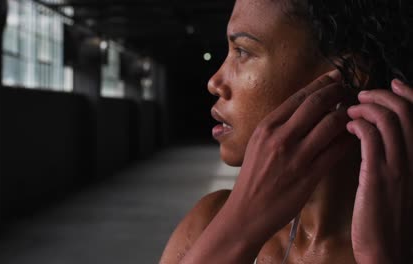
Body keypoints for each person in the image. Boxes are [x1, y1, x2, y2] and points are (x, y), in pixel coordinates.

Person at [159, 0, 413, 263]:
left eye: (242, 51)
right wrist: (238, 229)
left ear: (348, 75)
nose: (214, 82)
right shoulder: (209, 222)